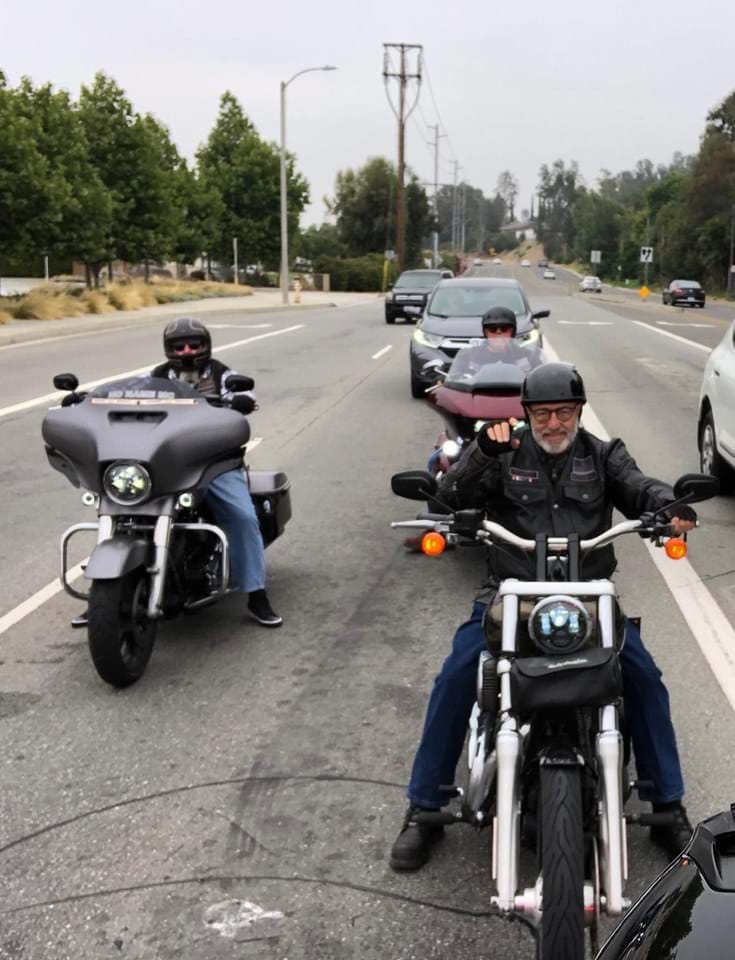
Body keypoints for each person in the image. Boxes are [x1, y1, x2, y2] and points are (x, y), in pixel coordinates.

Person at [390, 361, 696, 871]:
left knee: (643, 677)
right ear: (527, 414)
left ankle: (667, 806)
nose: (554, 423)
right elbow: (449, 499)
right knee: (458, 674)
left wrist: (669, 506)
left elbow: (639, 486)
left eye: (564, 412)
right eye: (543, 413)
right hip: (509, 594)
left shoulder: (604, 455)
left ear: (579, 411)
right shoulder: (502, 452)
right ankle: (424, 808)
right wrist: (481, 453)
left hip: (588, 597)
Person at [72, 317, 282, 629]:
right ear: (168, 349)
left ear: (205, 346)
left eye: (193, 345)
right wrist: (87, 399)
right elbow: (124, 392)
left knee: (242, 517)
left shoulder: (222, 374)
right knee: (122, 510)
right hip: (167, 463)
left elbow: (248, 397)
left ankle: (256, 593)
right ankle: (101, 599)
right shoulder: (155, 377)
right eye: (179, 346)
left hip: (212, 464)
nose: (186, 351)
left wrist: (241, 401)